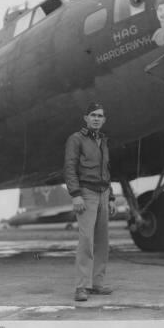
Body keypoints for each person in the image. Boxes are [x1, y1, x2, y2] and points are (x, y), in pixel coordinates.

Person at [64, 102, 117, 301]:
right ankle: (81, 287)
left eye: (100, 115)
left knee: (103, 241)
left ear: (104, 120)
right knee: (86, 240)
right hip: (86, 193)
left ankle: (97, 284)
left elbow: (107, 171)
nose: (96, 118)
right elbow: (69, 168)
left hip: (103, 193)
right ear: (85, 118)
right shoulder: (75, 139)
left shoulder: (103, 141)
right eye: (93, 115)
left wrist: (111, 197)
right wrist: (75, 194)